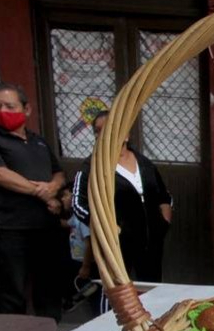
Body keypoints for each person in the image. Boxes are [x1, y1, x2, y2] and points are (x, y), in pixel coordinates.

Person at [0, 82, 68, 322]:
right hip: (13, 227)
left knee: (49, 289)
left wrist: (53, 188)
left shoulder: (39, 141)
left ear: (27, 110)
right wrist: (41, 192)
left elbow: (59, 173)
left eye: (10, 106)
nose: (3, 110)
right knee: (13, 291)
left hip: (46, 225)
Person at [72, 111, 172, 283]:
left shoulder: (145, 163)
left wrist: (163, 222)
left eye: (108, 129)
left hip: (151, 242)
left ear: (125, 134)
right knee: (115, 291)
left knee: (152, 289)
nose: (102, 135)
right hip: (115, 245)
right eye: (97, 131)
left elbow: (164, 197)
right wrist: (104, 226)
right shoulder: (92, 166)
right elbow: (77, 203)